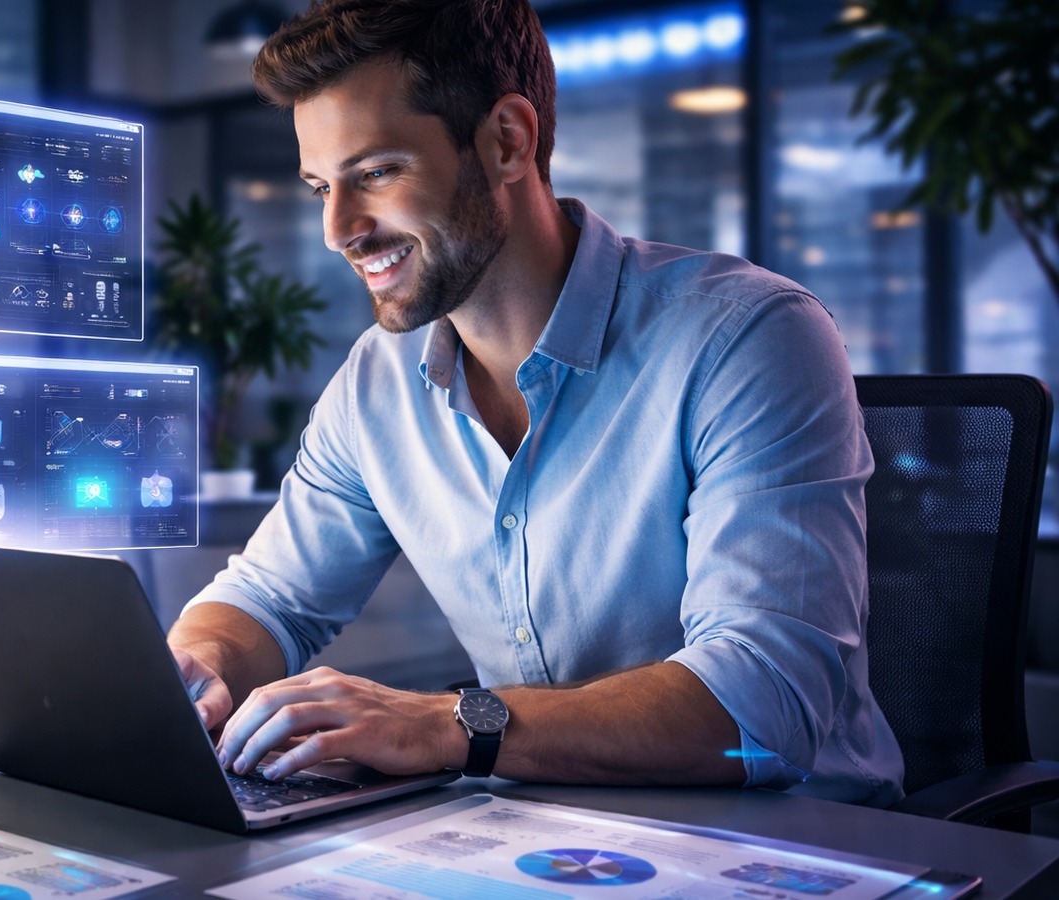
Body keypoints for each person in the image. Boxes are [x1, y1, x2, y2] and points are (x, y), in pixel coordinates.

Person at [167, 0, 904, 805]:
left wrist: (447, 724)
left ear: (508, 141)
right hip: (545, 836)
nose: (338, 229)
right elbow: (268, 599)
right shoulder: (376, 383)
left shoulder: (746, 337)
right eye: (319, 187)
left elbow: (763, 698)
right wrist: (196, 667)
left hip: (797, 846)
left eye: (376, 172)